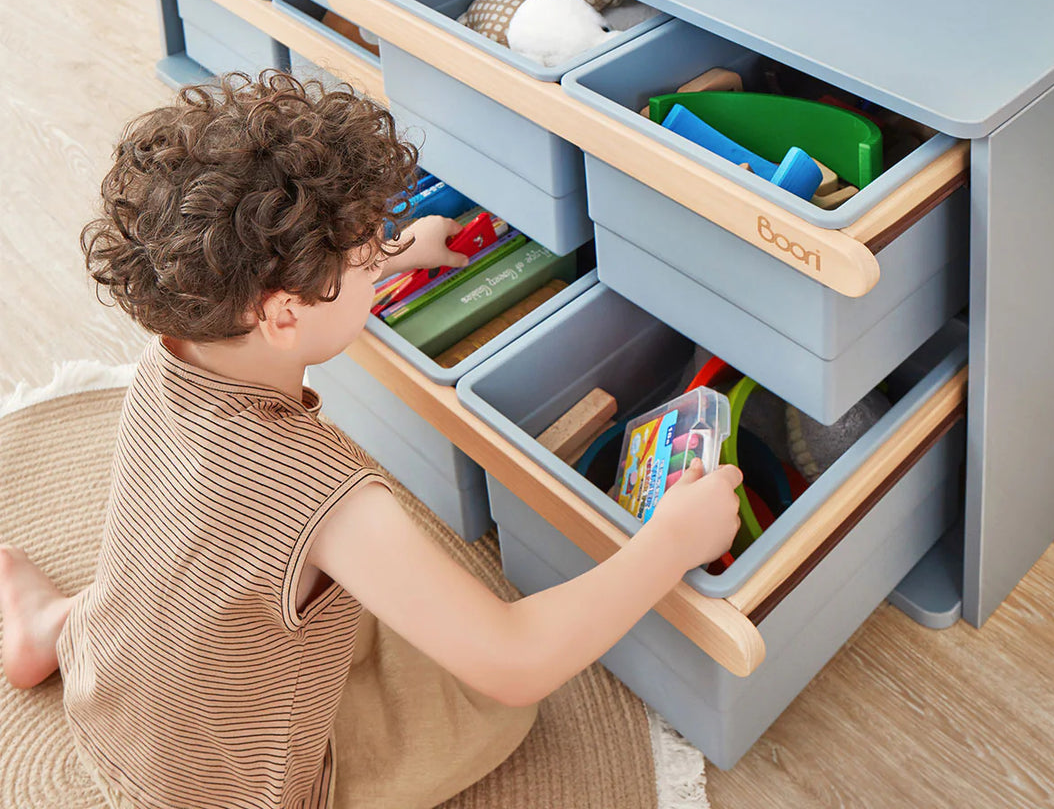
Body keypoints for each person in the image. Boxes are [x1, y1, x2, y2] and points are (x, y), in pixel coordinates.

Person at [0, 71, 743, 809]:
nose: (375, 256)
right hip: (232, 791)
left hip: (116, 691)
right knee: (489, 706)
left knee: (180, 581)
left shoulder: (173, 352)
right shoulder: (326, 494)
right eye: (364, 254)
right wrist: (671, 542)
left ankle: (51, 628)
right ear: (286, 313)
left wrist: (394, 256)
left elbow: (278, 295)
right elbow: (516, 662)